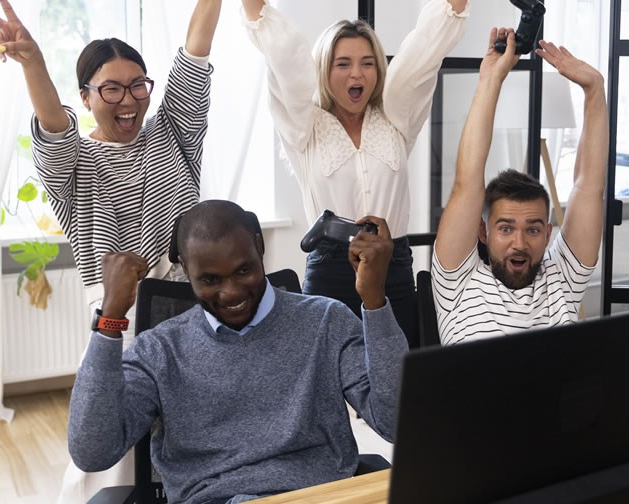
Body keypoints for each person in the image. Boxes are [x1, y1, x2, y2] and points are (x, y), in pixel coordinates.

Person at [0, 0, 253, 501]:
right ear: (87, 96)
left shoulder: (173, 132)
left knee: (203, 445)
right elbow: (51, 123)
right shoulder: (74, 163)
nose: (129, 100)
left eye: (138, 85)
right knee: (115, 462)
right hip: (119, 321)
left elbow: (196, 50)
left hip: (196, 308)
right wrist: (33, 62)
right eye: (111, 89)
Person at [221, 0, 492, 348]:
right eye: (343, 64)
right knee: (328, 384)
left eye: (368, 63)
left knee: (397, 380)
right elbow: (286, 57)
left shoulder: (396, 119)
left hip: (393, 266)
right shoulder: (305, 126)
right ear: (324, 70)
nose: (357, 75)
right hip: (330, 270)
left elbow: (422, 52)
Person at [67, 200, 409, 504]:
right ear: (186, 271)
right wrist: (109, 319)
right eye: (211, 280)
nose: (230, 292)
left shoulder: (326, 320)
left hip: (320, 494)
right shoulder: (159, 351)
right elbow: (92, 451)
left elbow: (398, 424)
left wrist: (374, 301)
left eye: (243, 270)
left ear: (259, 246)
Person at [432, 28, 609, 345]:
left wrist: (595, 88)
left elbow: (588, 187)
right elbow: (467, 179)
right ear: (483, 232)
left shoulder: (561, 278)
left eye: (533, 229)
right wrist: (491, 79)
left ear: (548, 234)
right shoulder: (458, 280)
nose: (520, 243)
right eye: (505, 228)